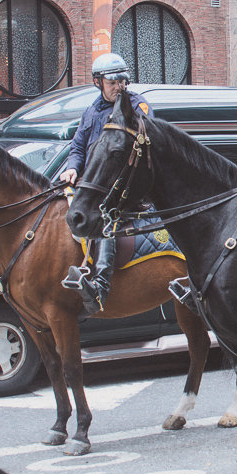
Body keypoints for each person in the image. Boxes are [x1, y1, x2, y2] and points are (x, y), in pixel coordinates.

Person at [59, 52, 154, 315]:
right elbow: (78, 147)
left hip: (123, 186)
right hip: (94, 184)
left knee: (105, 220)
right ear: (98, 82)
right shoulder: (91, 111)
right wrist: (71, 168)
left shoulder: (137, 106)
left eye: (122, 81)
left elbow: (141, 141)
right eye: (112, 82)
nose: (119, 87)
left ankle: (100, 287)